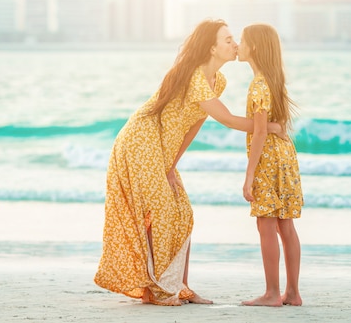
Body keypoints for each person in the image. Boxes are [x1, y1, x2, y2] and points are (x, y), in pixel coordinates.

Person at [94, 19, 285, 306]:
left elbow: (195, 124)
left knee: (182, 213)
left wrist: (171, 165)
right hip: (139, 141)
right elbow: (228, 120)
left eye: (234, 39)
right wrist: (269, 127)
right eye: (228, 39)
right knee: (161, 210)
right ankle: (159, 289)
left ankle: (179, 286)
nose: (234, 44)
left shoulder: (218, 81)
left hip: (161, 149)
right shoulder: (195, 78)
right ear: (211, 48)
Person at [237, 23, 304, 307]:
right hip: (285, 157)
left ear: (253, 47)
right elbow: (273, 126)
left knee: (265, 224)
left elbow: (260, 131)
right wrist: (273, 128)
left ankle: (272, 293)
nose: (238, 46)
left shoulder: (258, 84)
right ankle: (292, 293)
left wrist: (249, 174)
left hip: (268, 159)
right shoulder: (274, 80)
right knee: (284, 225)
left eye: (241, 41)